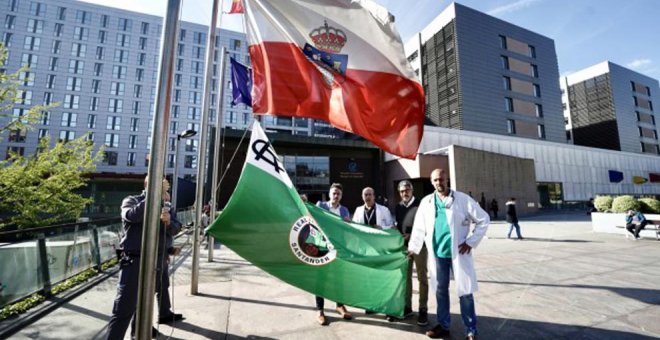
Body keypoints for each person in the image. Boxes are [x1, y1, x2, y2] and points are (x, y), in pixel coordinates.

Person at [408, 168, 489, 340]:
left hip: (458, 254)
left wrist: (471, 241)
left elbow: (483, 219)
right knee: (440, 291)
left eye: (442, 179)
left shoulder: (462, 199)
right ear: (432, 182)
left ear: (447, 180)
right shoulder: (427, 202)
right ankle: (443, 325)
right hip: (438, 255)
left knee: (465, 293)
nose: (439, 183)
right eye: (436, 180)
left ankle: (471, 330)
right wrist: (413, 248)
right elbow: (419, 228)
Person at [106, 177, 183, 340]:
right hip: (135, 261)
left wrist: (168, 222)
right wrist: (153, 196)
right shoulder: (131, 200)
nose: (165, 192)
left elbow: (177, 227)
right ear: (149, 186)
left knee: (145, 302)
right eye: (160, 187)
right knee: (124, 308)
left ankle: (140, 329)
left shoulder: (166, 205)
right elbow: (131, 216)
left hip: (158, 260)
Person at [389, 180, 428, 325]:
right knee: (406, 278)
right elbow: (400, 225)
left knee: (422, 277)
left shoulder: (421, 205)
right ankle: (407, 307)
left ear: (412, 190)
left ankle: (423, 309)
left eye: (407, 190)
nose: (404, 193)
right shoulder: (398, 206)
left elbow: (427, 226)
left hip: (419, 246)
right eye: (401, 191)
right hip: (405, 248)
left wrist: (412, 236)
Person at [314, 183, 352, 325]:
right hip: (322, 248)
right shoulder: (321, 206)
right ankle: (320, 310)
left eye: (339, 194)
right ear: (329, 194)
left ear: (341, 196)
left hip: (339, 249)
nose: (336, 196)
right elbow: (311, 217)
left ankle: (339, 305)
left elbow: (347, 231)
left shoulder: (344, 210)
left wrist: (348, 224)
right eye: (334, 193)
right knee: (321, 279)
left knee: (339, 278)